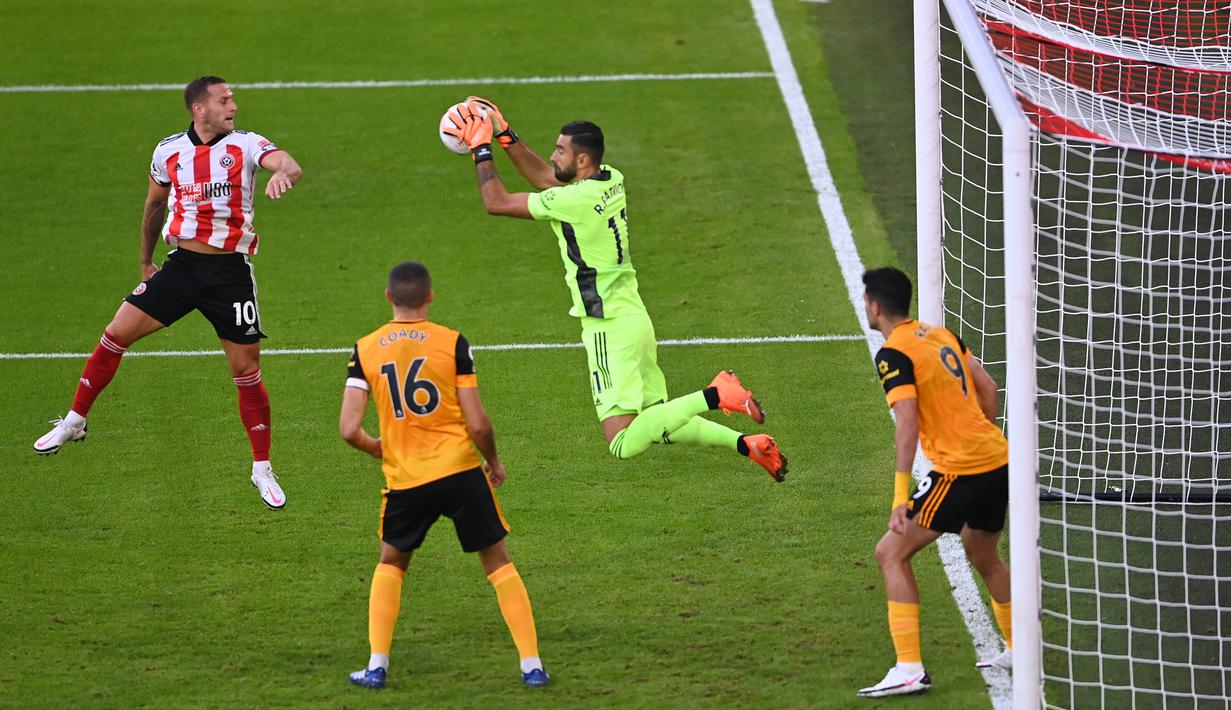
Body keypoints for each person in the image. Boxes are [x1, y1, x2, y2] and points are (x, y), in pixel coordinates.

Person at [440, 99, 787, 481]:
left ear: (583, 160)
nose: (554, 154)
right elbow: (547, 179)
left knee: (621, 441)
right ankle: (746, 444)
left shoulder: (575, 200)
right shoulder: (610, 178)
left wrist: (481, 148)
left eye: (561, 150)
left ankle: (716, 394)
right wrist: (508, 137)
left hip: (607, 325)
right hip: (634, 317)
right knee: (658, 420)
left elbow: (497, 202)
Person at [33, 76, 301, 509]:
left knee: (246, 370)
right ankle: (75, 420)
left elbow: (287, 162)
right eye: (223, 100)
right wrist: (145, 259)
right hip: (182, 268)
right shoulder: (168, 151)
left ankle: (262, 468)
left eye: (232, 98)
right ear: (199, 109)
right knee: (115, 332)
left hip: (229, 273)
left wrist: (283, 174)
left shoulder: (247, 144)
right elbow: (154, 205)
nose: (233, 105)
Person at [339, 261, 548, 690]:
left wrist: (378, 447)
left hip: (406, 479)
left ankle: (377, 665)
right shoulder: (452, 343)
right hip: (459, 471)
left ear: (388, 297)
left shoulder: (365, 348)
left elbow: (348, 429)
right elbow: (478, 424)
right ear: (430, 296)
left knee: (391, 564)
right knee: (497, 562)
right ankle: (532, 665)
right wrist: (494, 460)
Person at [856, 267, 1013, 698]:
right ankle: (1021, 647)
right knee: (982, 551)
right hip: (998, 458)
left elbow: (905, 423)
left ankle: (909, 668)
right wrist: (981, 437)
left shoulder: (893, 354)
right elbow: (989, 387)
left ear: (874, 305)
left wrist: (899, 497)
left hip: (962, 470)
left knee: (890, 553)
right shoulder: (940, 335)